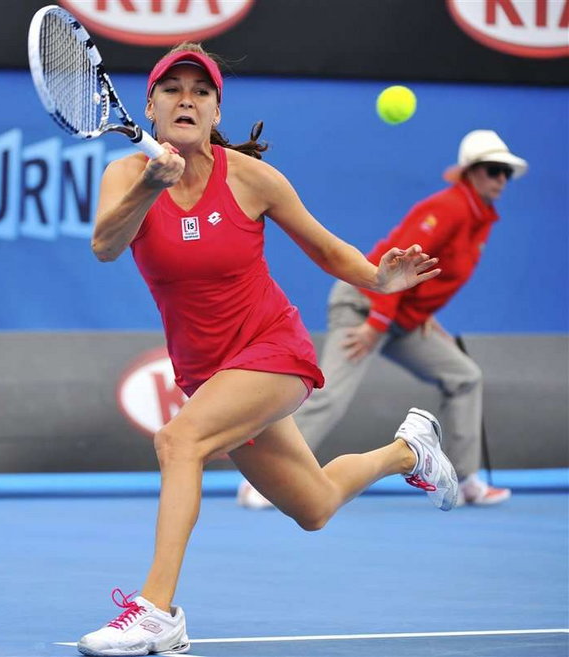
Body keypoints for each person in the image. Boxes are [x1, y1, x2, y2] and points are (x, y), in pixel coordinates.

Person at [78, 43, 457, 657]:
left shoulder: (251, 177)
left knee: (179, 441)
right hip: (208, 373)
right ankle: (407, 450)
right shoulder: (126, 176)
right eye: (172, 89)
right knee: (314, 506)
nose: (186, 99)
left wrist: (379, 280)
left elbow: (328, 249)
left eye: (200, 92)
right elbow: (104, 246)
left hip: (271, 348)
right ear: (149, 106)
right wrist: (150, 185)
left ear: (215, 110)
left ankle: (157, 612)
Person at [237, 129, 526, 512]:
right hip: (365, 306)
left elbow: (432, 277)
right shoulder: (450, 207)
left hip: (400, 319)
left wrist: (421, 317)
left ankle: (465, 478)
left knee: (465, 376)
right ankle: (269, 481)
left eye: (505, 171)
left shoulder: (479, 218)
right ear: (471, 172)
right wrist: (376, 323)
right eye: (493, 170)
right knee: (330, 394)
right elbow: (401, 265)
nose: (500, 179)